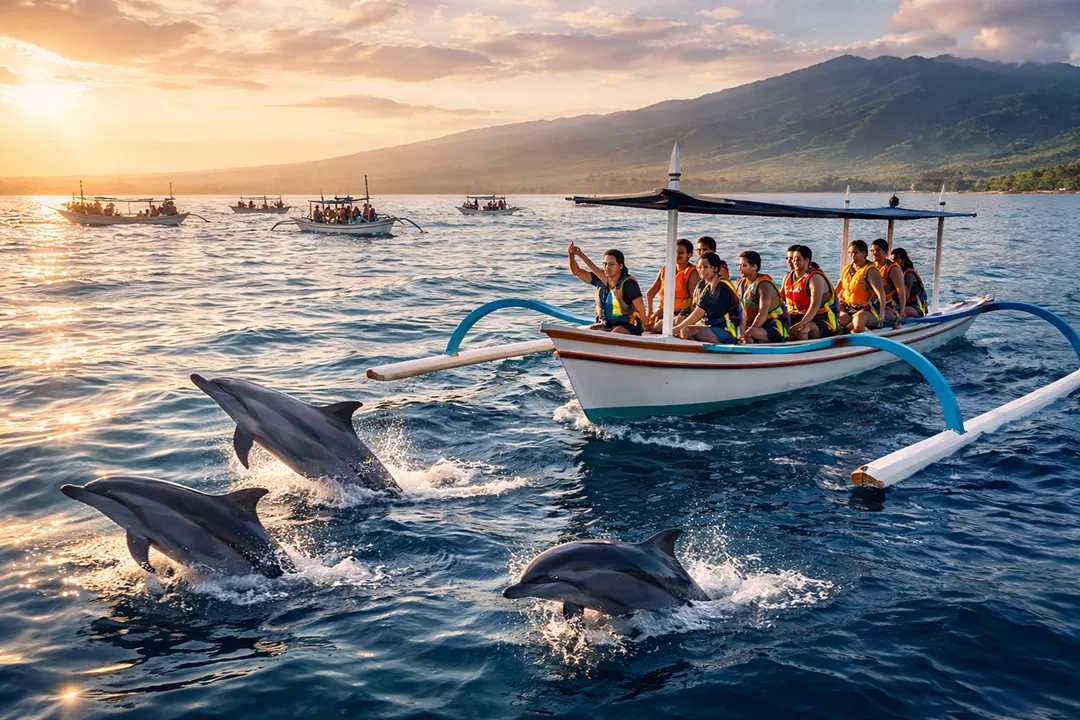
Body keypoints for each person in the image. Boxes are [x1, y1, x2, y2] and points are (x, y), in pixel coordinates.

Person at [567, 243, 645, 335]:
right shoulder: (600, 280)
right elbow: (576, 271)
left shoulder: (628, 284)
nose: (607, 267)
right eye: (604, 264)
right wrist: (571, 257)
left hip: (629, 326)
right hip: (606, 325)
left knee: (616, 332)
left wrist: (647, 326)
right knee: (590, 330)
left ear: (620, 266)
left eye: (611, 264)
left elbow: (642, 311)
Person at [673, 252, 740, 344]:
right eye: (699, 267)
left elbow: (699, 311)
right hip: (711, 327)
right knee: (683, 330)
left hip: (726, 331)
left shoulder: (721, 287)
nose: (701, 270)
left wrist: (677, 328)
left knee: (686, 330)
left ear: (715, 269)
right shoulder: (707, 286)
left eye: (705, 267)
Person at [782, 245, 838, 340]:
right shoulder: (787, 277)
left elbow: (815, 305)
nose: (793, 262)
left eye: (798, 259)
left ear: (806, 260)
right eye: (792, 259)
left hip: (821, 318)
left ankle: (801, 353)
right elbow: (779, 299)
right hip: (796, 315)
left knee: (802, 329)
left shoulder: (815, 278)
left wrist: (800, 324)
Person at [644, 238, 700, 332]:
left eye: (681, 252)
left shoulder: (693, 273)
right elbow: (650, 293)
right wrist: (650, 313)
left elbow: (695, 301)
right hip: (665, 311)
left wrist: (681, 317)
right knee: (647, 326)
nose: (677, 255)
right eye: (675, 252)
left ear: (689, 255)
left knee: (659, 326)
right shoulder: (665, 270)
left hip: (683, 313)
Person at [735, 250, 787, 343]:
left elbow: (763, 313)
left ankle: (751, 354)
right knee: (735, 332)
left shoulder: (764, 285)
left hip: (774, 325)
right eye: (739, 265)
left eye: (744, 265)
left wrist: (748, 332)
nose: (740, 268)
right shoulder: (740, 283)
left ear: (754, 267)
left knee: (749, 334)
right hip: (755, 325)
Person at [837, 240, 885, 333]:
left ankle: (856, 341)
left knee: (858, 321)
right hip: (849, 308)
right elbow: (838, 289)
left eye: (855, 253)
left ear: (863, 253)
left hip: (867, 309)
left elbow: (881, 294)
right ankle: (843, 333)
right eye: (850, 253)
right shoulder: (847, 269)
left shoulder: (870, 270)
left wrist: (882, 315)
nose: (852, 255)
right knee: (839, 318)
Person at [870, 238, 906, 326]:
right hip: (874, 305)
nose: (874, 253)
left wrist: (901, 314)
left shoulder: (893, 269)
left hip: (891, 307)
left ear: (885, 253)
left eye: (878, 250)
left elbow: (901, 292)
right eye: (872, 250)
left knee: (867, 316)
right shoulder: (872, 268)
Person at [890, 247, 928, 318]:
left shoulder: (908, 274)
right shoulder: (897, 273)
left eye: (896, 260)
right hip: (907, 305)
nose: (893, 263)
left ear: (903, 260)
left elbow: (906, 295)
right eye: (892, 261)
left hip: (916, 308)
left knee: (895, 312)